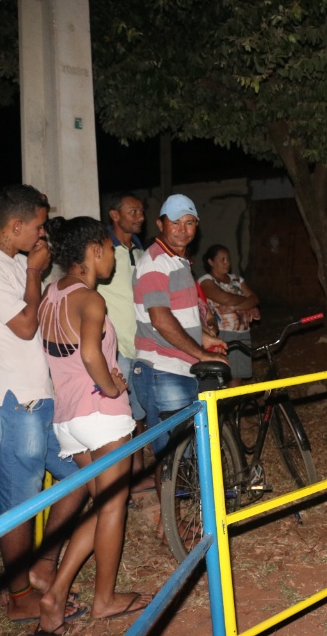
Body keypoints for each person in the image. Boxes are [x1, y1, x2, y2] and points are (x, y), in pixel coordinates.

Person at [0, 184, 86, 623]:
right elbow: (25, 327)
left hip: (38, 401)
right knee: (21, 505)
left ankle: (42, 566)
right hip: (15, 404)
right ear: (15, 226)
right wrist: (34, 273)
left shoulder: (12, 265)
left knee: (80, 478)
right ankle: (17, 598)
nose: (41, 236)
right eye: (37, 226)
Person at [37, 217, 153, 632]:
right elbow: (90, 355)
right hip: (101, 417)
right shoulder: (91, 299)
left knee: (102, 504)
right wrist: (109, 387)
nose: (113, 259)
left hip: (68, 419)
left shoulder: (52, 293)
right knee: (113, 506)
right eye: (108, 249)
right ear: (93, 249)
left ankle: (54, 593)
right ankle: (103, 599)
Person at [132, 194, 228, 459]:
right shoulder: (156, 262)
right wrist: (202, 353)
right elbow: (161, 320)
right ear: (160, 224)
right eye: (175, 222)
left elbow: (180, 318)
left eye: (189, 223)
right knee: (173, 462)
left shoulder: (179, 261)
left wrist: (204, 339)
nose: (182, 230)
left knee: (189, 460)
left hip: (180, 369)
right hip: (162, 370)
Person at [96, 193, 151, 496]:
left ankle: (138, 474)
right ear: (114, 215)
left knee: (138, 415)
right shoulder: (102, 251)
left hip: (139, 346)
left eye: (141, 211)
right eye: (133, 211)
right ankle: (117, 482)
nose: (140, 216)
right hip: (114, 350)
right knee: (119, 417)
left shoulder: (140, 252)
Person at [199, 244, 260, 388]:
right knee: (224, 376)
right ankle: (226, 408)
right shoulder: (206, 281)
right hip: (223, 333)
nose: (227, 263)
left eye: (228, 259)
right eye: (222, 259)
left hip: (243, 333)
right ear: (211, 262)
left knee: (238, 376)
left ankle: (235, 408)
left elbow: (255, 298)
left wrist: (235, 307)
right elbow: (225, 298)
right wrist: (247, 304)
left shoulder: (237, 279)